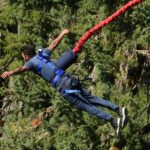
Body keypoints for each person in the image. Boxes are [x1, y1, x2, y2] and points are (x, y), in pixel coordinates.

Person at [1, 29, 127, 136]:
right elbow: (54, 44)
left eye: (23, 56)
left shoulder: (30, 63)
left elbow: (21, 69)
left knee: (88, 106)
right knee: (91, 98)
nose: (23, 59)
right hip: (69, 79)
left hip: (63, 86)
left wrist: (11, 72)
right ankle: (118, 109)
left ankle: (114, 121)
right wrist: (62, 33)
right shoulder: (42, 54)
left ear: (26, 56)